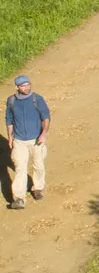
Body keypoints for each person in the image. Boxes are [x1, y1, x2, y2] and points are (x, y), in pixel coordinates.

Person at [6, 74, 50, 210]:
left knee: (38, 165)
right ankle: (19, 198)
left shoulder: (37, 99)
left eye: (28, 84)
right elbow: (9, 120)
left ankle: (37, 188)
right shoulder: (11, 101)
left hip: (36, 139)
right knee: (20, 168)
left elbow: (46, 118)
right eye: (23, 86)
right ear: (17, 87)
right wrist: (10, 137)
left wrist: (43, 134)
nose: (26, 87)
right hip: (19, 141)